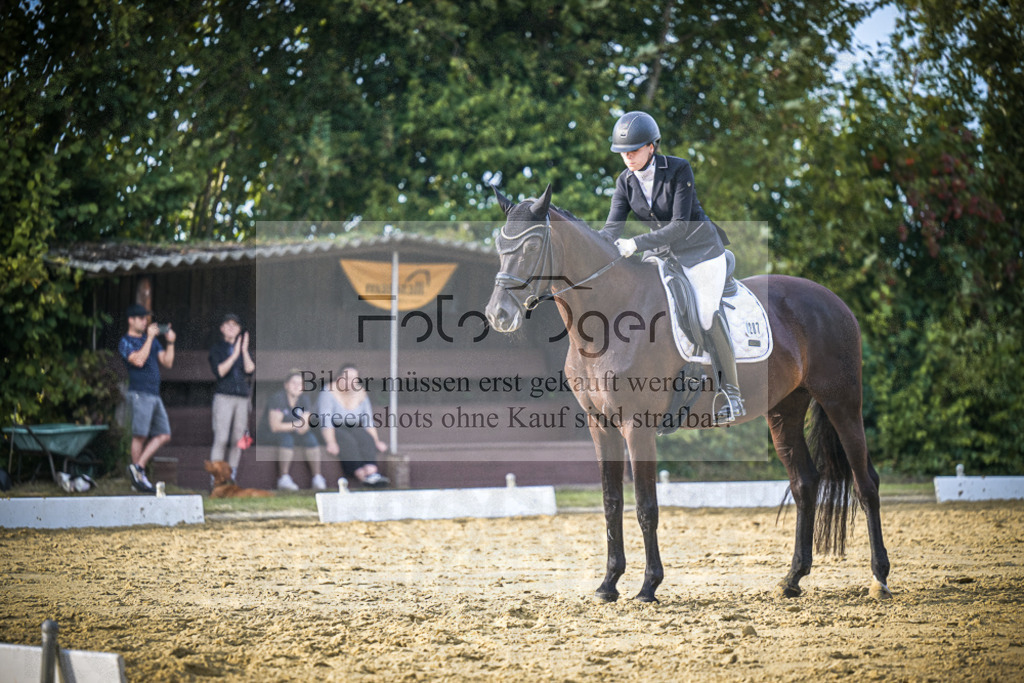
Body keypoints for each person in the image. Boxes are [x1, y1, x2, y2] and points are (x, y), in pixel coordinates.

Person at [600, 110, 745, 422]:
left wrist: (636, 244)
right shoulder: (624, 182)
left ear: (652, 146)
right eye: (623, 153)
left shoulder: (678, 169)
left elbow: (680, 225)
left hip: (701, 251)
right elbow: (611, 230)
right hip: (666, 256)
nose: (628, 157)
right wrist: (592, 246)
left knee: (705, 314)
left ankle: (731, 393)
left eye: (634, 151)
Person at [118, 303, 175, 493]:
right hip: (139, 393)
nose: (145, 322)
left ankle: (138, 468)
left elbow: (167, 361)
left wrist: (171, 342)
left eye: (146, 319)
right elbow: (139, 360)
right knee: (140, 435)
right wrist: (150, 338)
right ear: (131, 320)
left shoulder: (150, 340)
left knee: (164, 434)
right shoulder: (125, 342)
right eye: (141, 318)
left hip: (154, 393)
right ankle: (138, 478)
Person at [317, 364, 390, 487]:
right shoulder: (328, 391)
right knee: (347, 440)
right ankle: (360, 474)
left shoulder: (361, 393)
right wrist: (331, 442)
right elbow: (326, 419)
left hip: (352, 426)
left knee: (365, 438)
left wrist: (375, 441)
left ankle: (372, 472)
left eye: (354, 378)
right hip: (331, 428)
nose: (351, 381)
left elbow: (368, 420)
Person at [208, 313, 255, 481]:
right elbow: (220, 371)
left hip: (241, 398)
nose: (231, 327)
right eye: (227, 324)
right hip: (224, 397)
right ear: (221, 328)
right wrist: (234, 355)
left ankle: (232, 473)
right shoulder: (217, 349)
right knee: (221, 437)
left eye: (235, 325)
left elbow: (250, 369)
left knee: (238, 438)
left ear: (239, 329)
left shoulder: (243, 350)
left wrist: (243, 351)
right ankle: (217, 475)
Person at [264, 370, 327, 491]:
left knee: (311, 439)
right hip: (271, 434)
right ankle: (283, 478)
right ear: (286, 385)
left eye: (300, 384)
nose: (297, 386)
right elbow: (275, 426)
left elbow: (305, 425)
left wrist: (299, 426)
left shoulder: (304, 399)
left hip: (293, 433)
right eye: (293, 383)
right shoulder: (278, 398)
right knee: (286, 439)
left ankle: (317, 478)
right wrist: (298, 425)